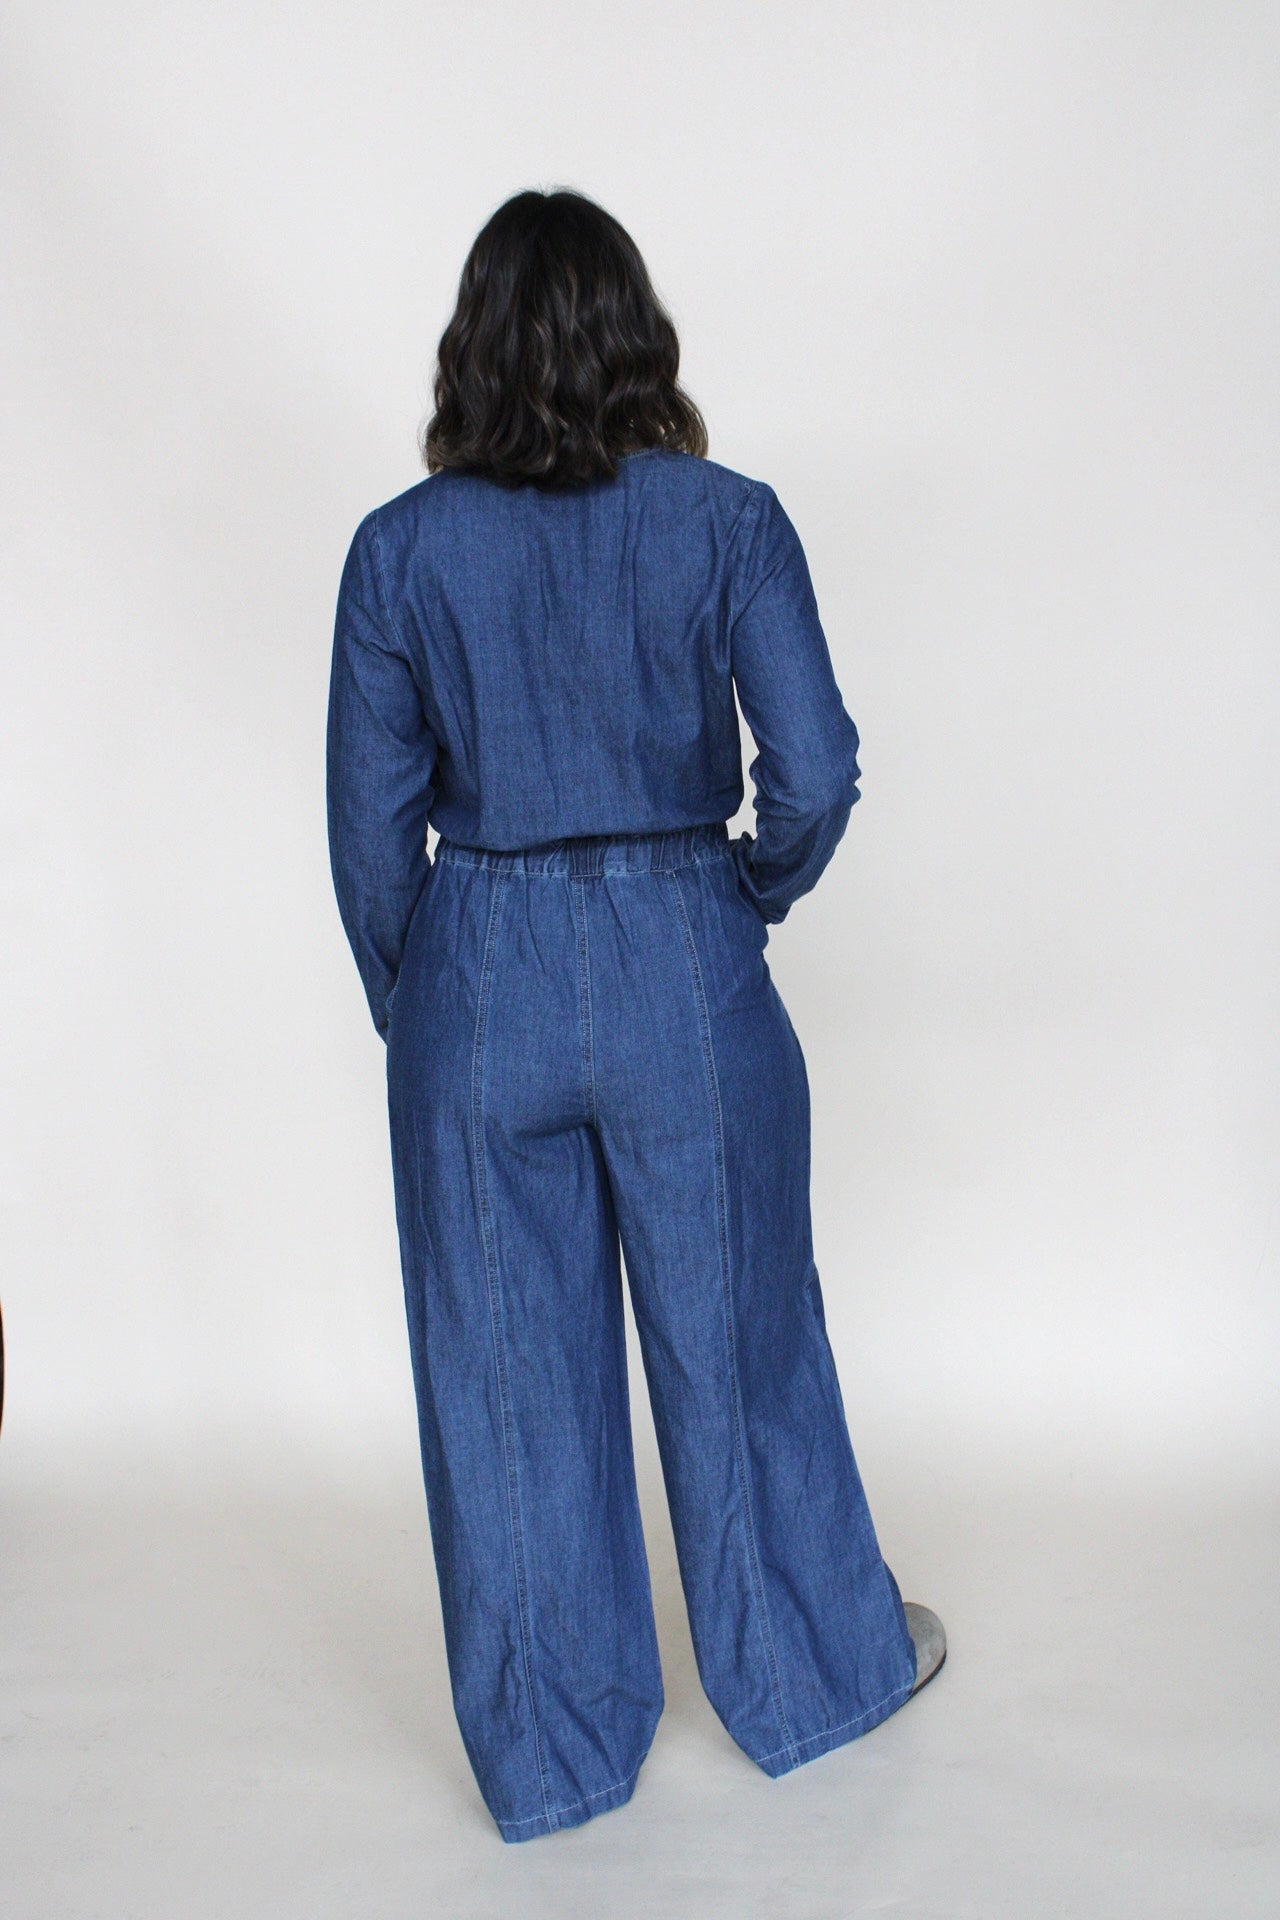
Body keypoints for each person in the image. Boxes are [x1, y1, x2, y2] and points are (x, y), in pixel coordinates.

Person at [326, 186, 945, 1844]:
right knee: (741, 1341)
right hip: (686, 957)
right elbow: (816, 772)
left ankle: (557, 1754)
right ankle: (809, 1678)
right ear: (637, 337)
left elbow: (370, 842)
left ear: (469, 351)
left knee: (507, 1383)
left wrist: (430, 1007)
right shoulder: (729, 522)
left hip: (478, 969)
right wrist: (741, 894)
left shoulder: (398, 552)